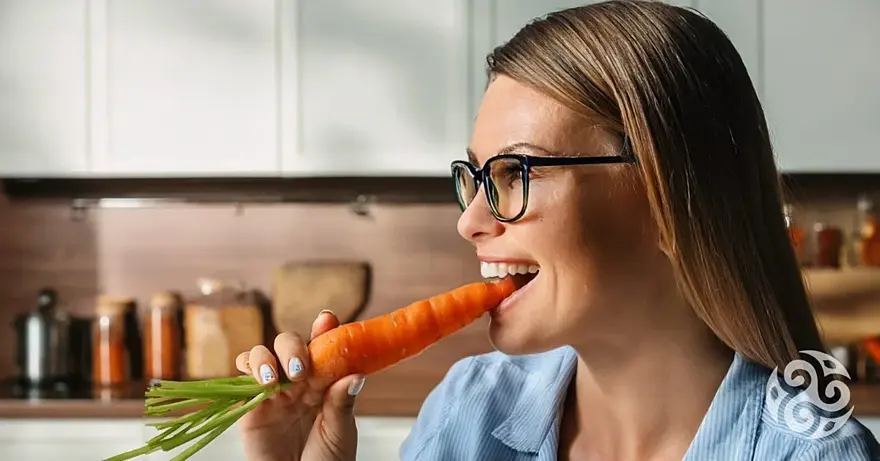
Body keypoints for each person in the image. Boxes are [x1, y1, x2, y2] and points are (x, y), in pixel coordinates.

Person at [233, 1, 880, 460]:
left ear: (665, 197)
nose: (470, 220)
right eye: (477, 176)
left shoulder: (814, 452)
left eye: (516, 173)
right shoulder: (471, 407)